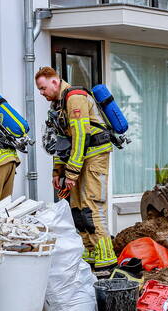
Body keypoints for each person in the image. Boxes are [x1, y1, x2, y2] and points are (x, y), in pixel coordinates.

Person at [34, 66, 116, 269]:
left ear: (55, 81)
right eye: (39, 90)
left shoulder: (75, 98)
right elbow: (60, 141)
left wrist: (71, 173)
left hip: (94, 155)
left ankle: (106, 258)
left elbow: (81, 137)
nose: (42, 93)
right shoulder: (58, 105)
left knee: (92, 206)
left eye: (43, 88)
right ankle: (90, 253)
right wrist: (57, 171)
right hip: (79, 158)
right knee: (77, 207)